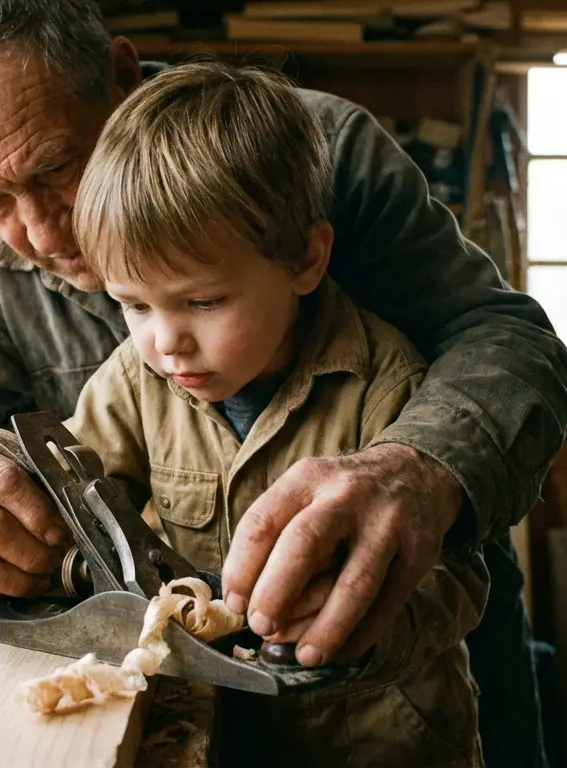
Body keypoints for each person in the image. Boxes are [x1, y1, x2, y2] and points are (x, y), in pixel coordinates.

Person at [0, 2, 567, 765]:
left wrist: (422, 470)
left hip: (406, 639)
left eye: (56, 167)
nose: (48, 234)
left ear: (119, 76)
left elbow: (508, 339)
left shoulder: (314, 156)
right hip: (198, 683)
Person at [58, 60, 489, 766]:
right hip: (221, 734)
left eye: (202, 302)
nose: (166, 343)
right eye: (134, 305)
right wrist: (58, 555)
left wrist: (359, 626)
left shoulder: (391, 384)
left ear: (305, 260)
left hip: (381, 743)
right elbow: (78, 503)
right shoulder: (135, 379)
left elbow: (459, 584)